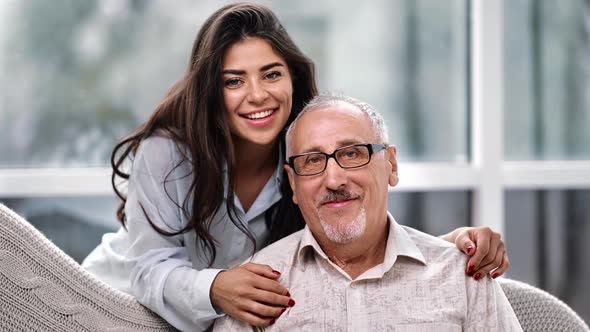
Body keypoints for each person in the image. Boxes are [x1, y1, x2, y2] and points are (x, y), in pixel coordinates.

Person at [82, 3, 509, 331]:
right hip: (120, 302)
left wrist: (441, 252)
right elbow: (147, 267)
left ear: (292, 77)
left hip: (216, 313)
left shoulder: (307, 154)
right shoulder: (169, 153)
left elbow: (348, 226)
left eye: (271, 75)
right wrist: (214, 287)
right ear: (212, 89)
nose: (257, 95)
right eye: (234, 81)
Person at [214, 93, 522, 331]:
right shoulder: (255, 285)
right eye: (311, 160)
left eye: (352, 154)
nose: (333, 180)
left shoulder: (462, 275)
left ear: (391, 165)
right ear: (293, 184)